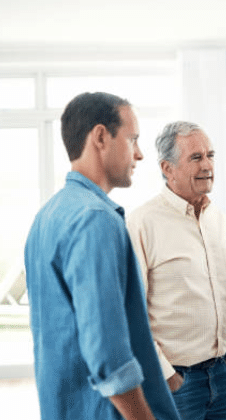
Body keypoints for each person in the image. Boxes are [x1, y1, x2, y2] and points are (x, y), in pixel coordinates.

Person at [24, 92, 180, 419]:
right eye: (132, 139)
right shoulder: (96, 220)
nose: (138, 154)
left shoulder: (47, 216)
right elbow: (109, 356)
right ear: (100, 137)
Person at [127, 121, 226, 420]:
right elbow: (131, 311)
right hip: (177, 383)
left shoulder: (218, 218)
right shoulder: (141, 223)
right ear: (167, 168)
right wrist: (167, 374)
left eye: (210, 155)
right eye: (196, 157)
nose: (207, 164)